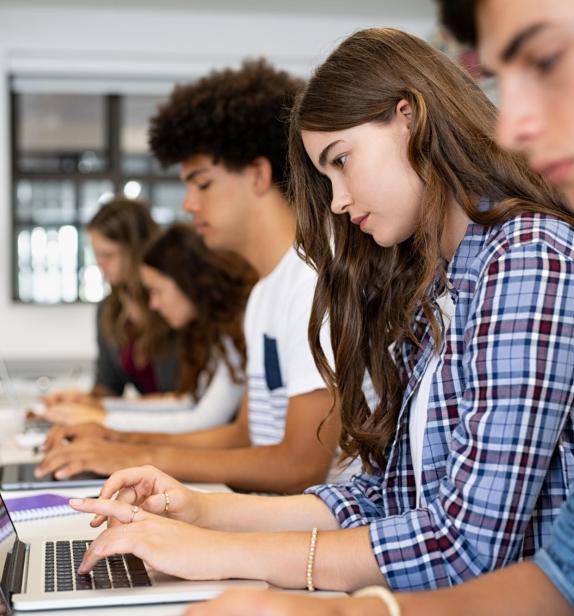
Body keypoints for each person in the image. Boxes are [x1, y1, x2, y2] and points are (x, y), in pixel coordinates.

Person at [65, 27, 574, 597]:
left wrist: (217, 552)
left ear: (409, 118)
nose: (337, 201)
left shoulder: (528, 259)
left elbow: (464, 548)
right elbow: (384, 497)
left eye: (342, 161)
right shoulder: (440, 284)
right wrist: (199, 511)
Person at [38, 59, 347, 494]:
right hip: (267, 516)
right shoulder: (265, 294)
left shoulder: (313, 283)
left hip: (311, 536)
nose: (188, 204)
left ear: (258, 175)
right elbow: (244, 437)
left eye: (201, 184)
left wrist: (132, 457)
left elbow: (300, 465)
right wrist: (120, 440)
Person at [40, 223, 256, 433]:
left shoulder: (238, 328)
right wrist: (100, 408)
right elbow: (187, 402)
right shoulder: (217, 330)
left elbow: (204, 419)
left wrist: (102, 418)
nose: (154, 304)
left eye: (156, 291)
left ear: (186, 281)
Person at [43, 197, 178, 411]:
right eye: (96, 254)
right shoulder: (109, 309)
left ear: (137, 250)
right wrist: (83, 400)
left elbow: (188, 400)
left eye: (108, 255)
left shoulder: (175, 304)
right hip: (148, 425)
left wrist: (119, 408)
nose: (99, 263)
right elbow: (109, 385)